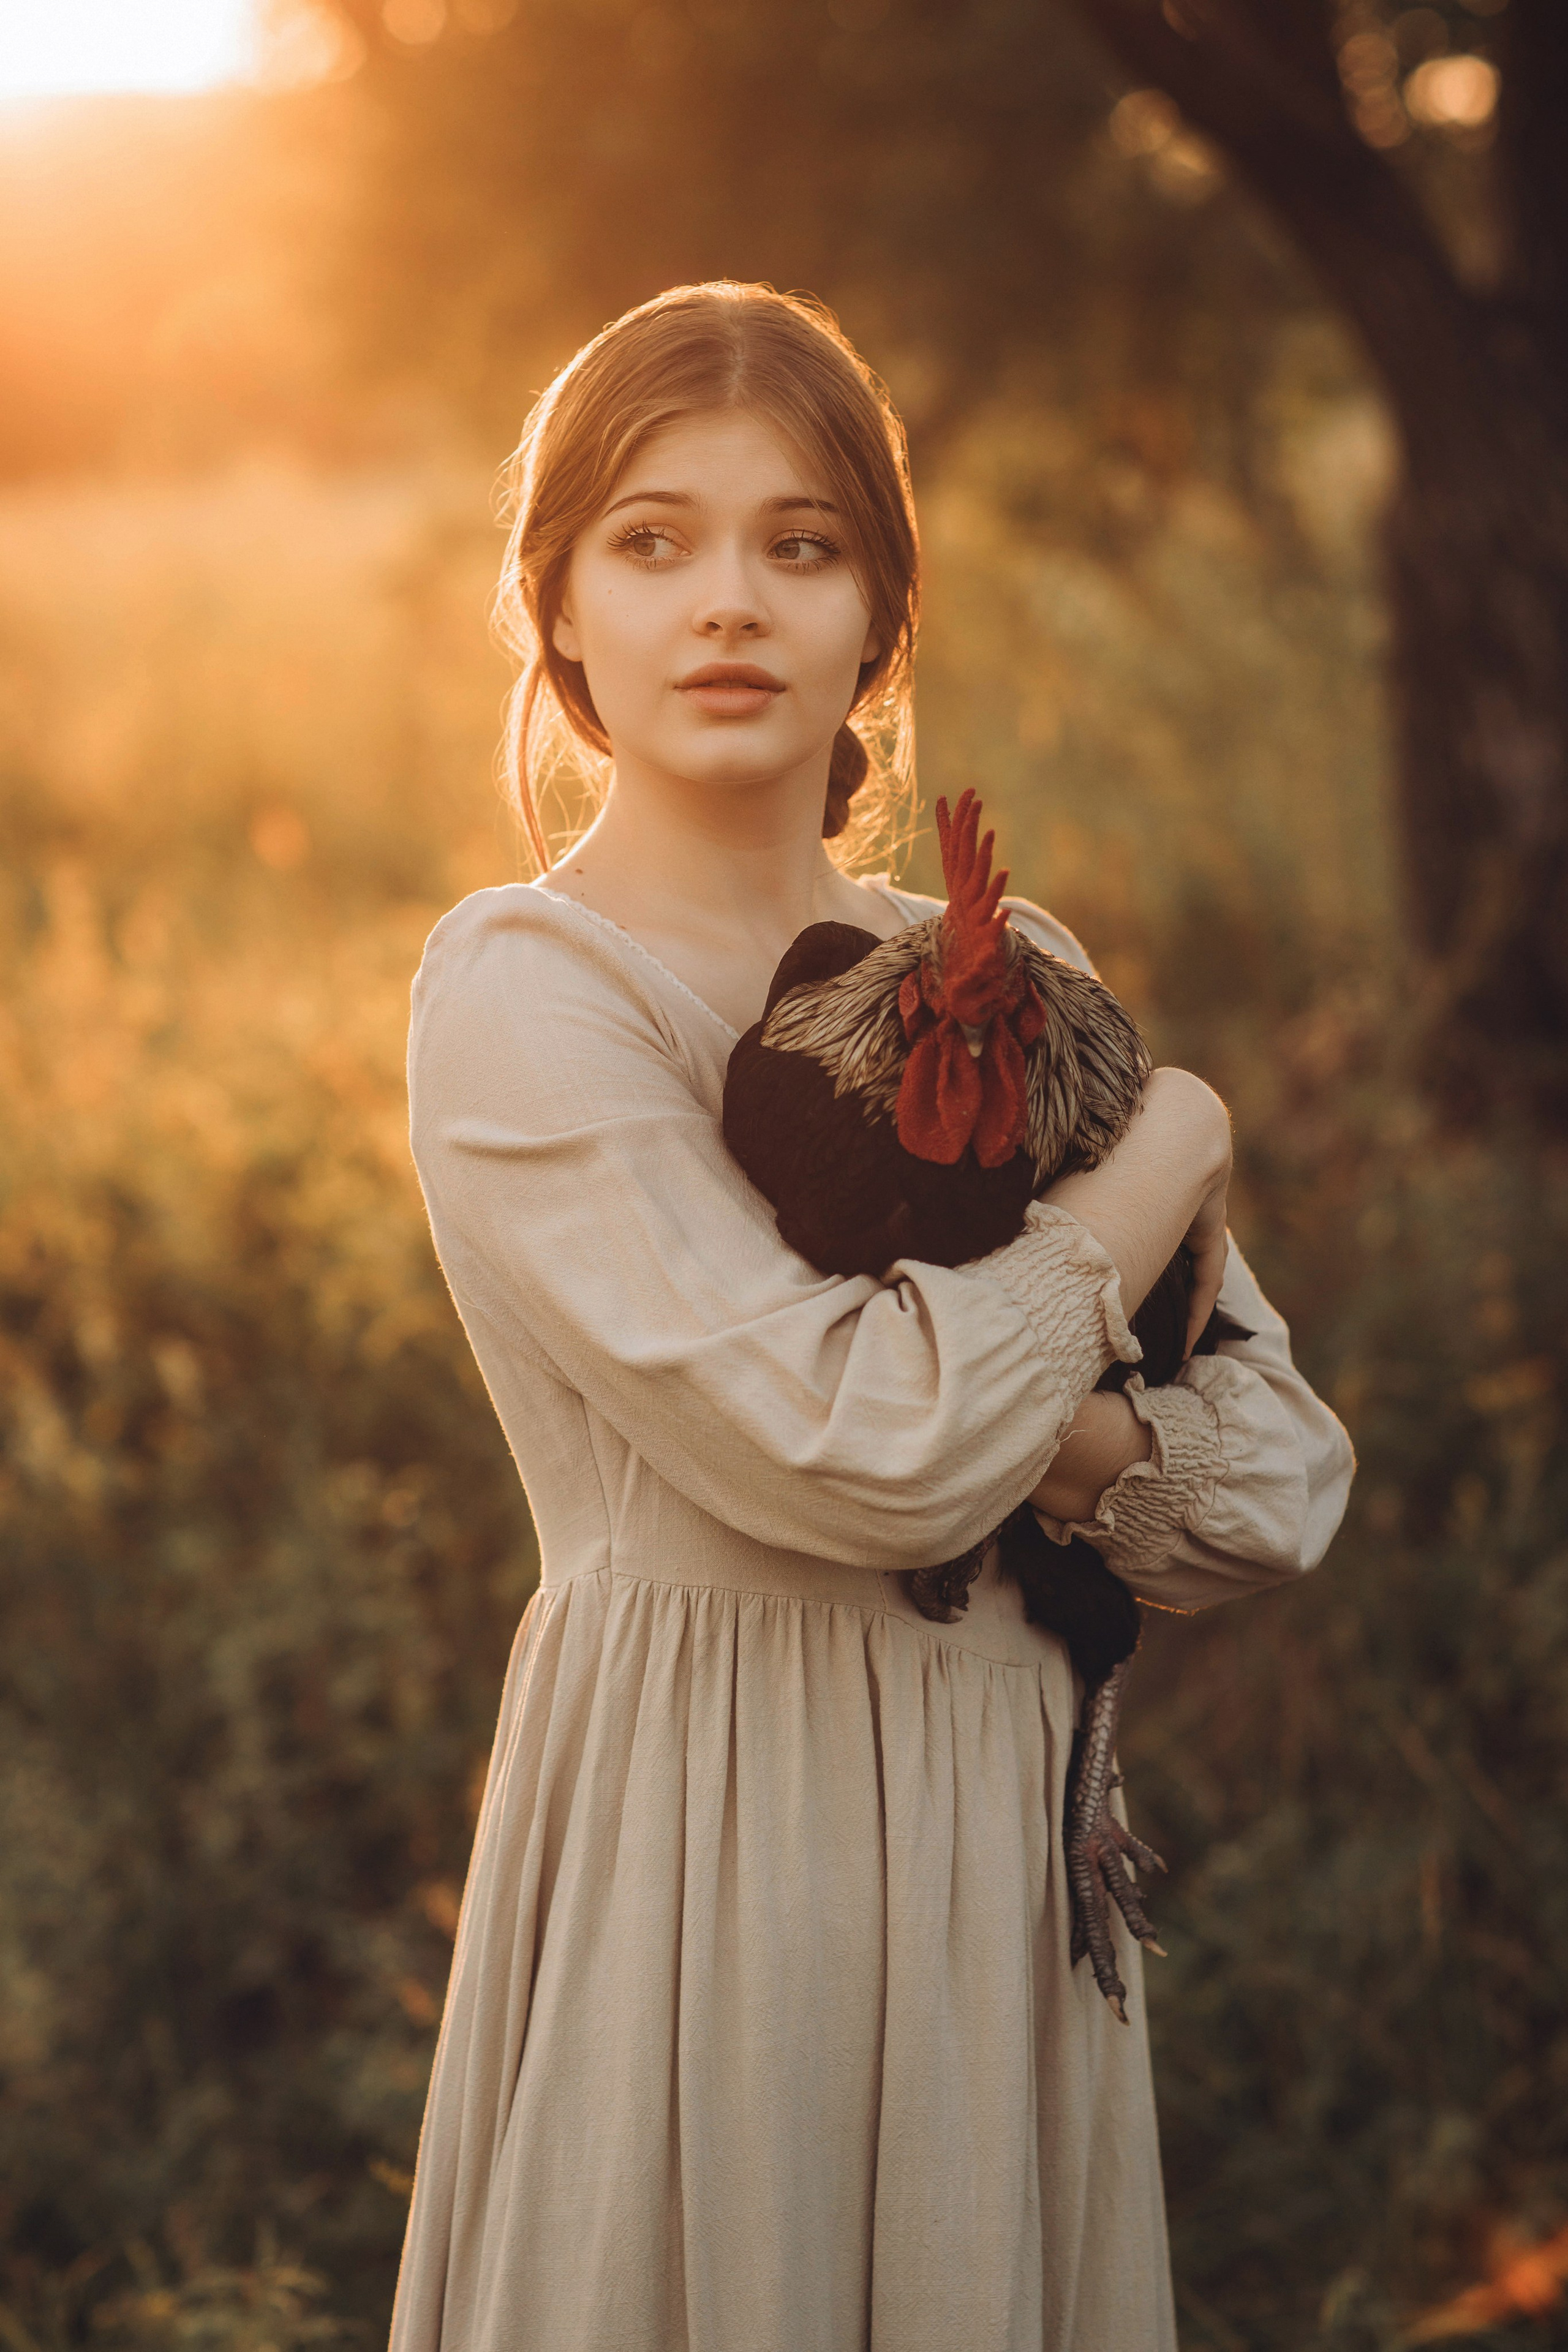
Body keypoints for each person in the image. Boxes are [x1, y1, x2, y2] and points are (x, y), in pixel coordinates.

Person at [391, 282, 1353, 2352]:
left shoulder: (1010, 966)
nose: (728, 601)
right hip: (712, 1849)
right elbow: (866, 1453)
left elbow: (1277, 1480)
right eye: (654, 540)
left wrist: (1036, 1422)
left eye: (801, 543)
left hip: (1001, 1851)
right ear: (560, 612)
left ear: (878, 621)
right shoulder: (529, 991)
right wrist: (1174, 1148)